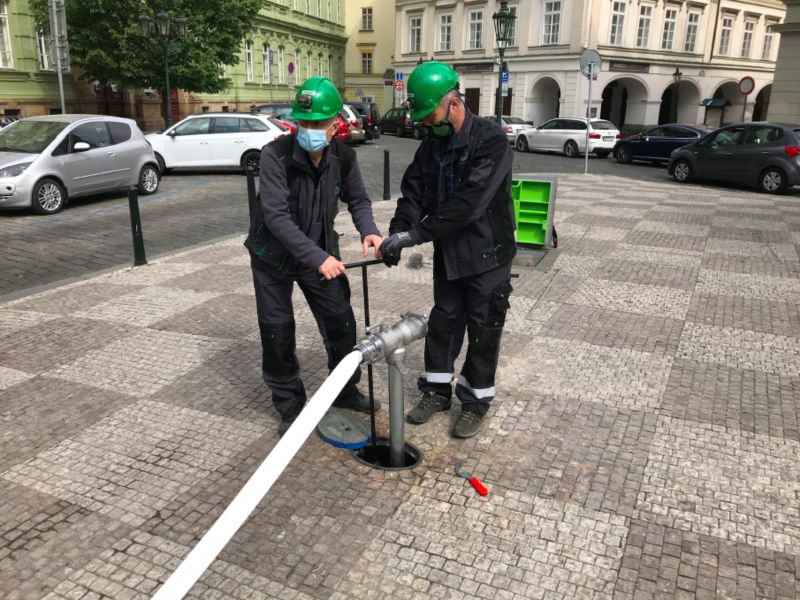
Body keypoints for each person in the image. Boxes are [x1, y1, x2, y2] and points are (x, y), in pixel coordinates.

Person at [379, 61, 515, 439]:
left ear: (453, 103)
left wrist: (414, 237)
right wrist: (396, 233)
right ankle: (436, 392)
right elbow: (414, 193)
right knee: (444, 322)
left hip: (489, 253)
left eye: (430, 114)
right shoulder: (432, 146)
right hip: (451, 255)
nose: (426, 123)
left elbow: (469, 205)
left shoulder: (491, 141)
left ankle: (474, 402)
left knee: (484, 329)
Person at [245, 76, 383, 434]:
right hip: (272, 257)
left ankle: (344, 389)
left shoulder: (343, 155)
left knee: (341, 322)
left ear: (336, 123)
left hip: (318, 252)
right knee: (278, 332)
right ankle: (290, 406)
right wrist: (318, 258)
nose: (309, 130)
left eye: (317, 123)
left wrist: (369, 229)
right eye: (303, 123)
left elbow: (359, 199)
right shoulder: (274, 155)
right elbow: (275, 216)